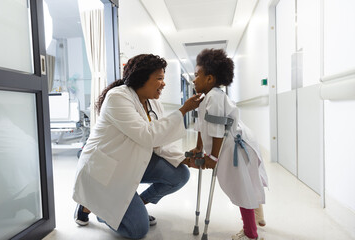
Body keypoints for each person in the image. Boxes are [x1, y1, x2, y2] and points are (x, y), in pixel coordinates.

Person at [72, 53, 202, 239]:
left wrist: (186, 159)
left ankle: (135, 205)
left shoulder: (153, 103)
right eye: (159, 78)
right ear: (142, 78)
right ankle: (95, 207)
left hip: (130, 163)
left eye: (163, 79)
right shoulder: (117, 97)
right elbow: (147, 135)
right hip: (105, 171)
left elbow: (159, 142)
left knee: (180, 174)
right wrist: (183, 110)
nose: (163, 84)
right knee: (137, 230)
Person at [185, 48, 268, 240]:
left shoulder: (214, 96)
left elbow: (216, 129)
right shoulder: (206, 97)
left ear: (210, 79)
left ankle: (250, 234)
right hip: (235, 143)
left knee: (241, 188)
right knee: (245, 184)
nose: (193, 79)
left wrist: (213, 157)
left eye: (197, 75)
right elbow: (201, 125)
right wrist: (198, 148)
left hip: (235, 147)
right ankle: (257, 217)